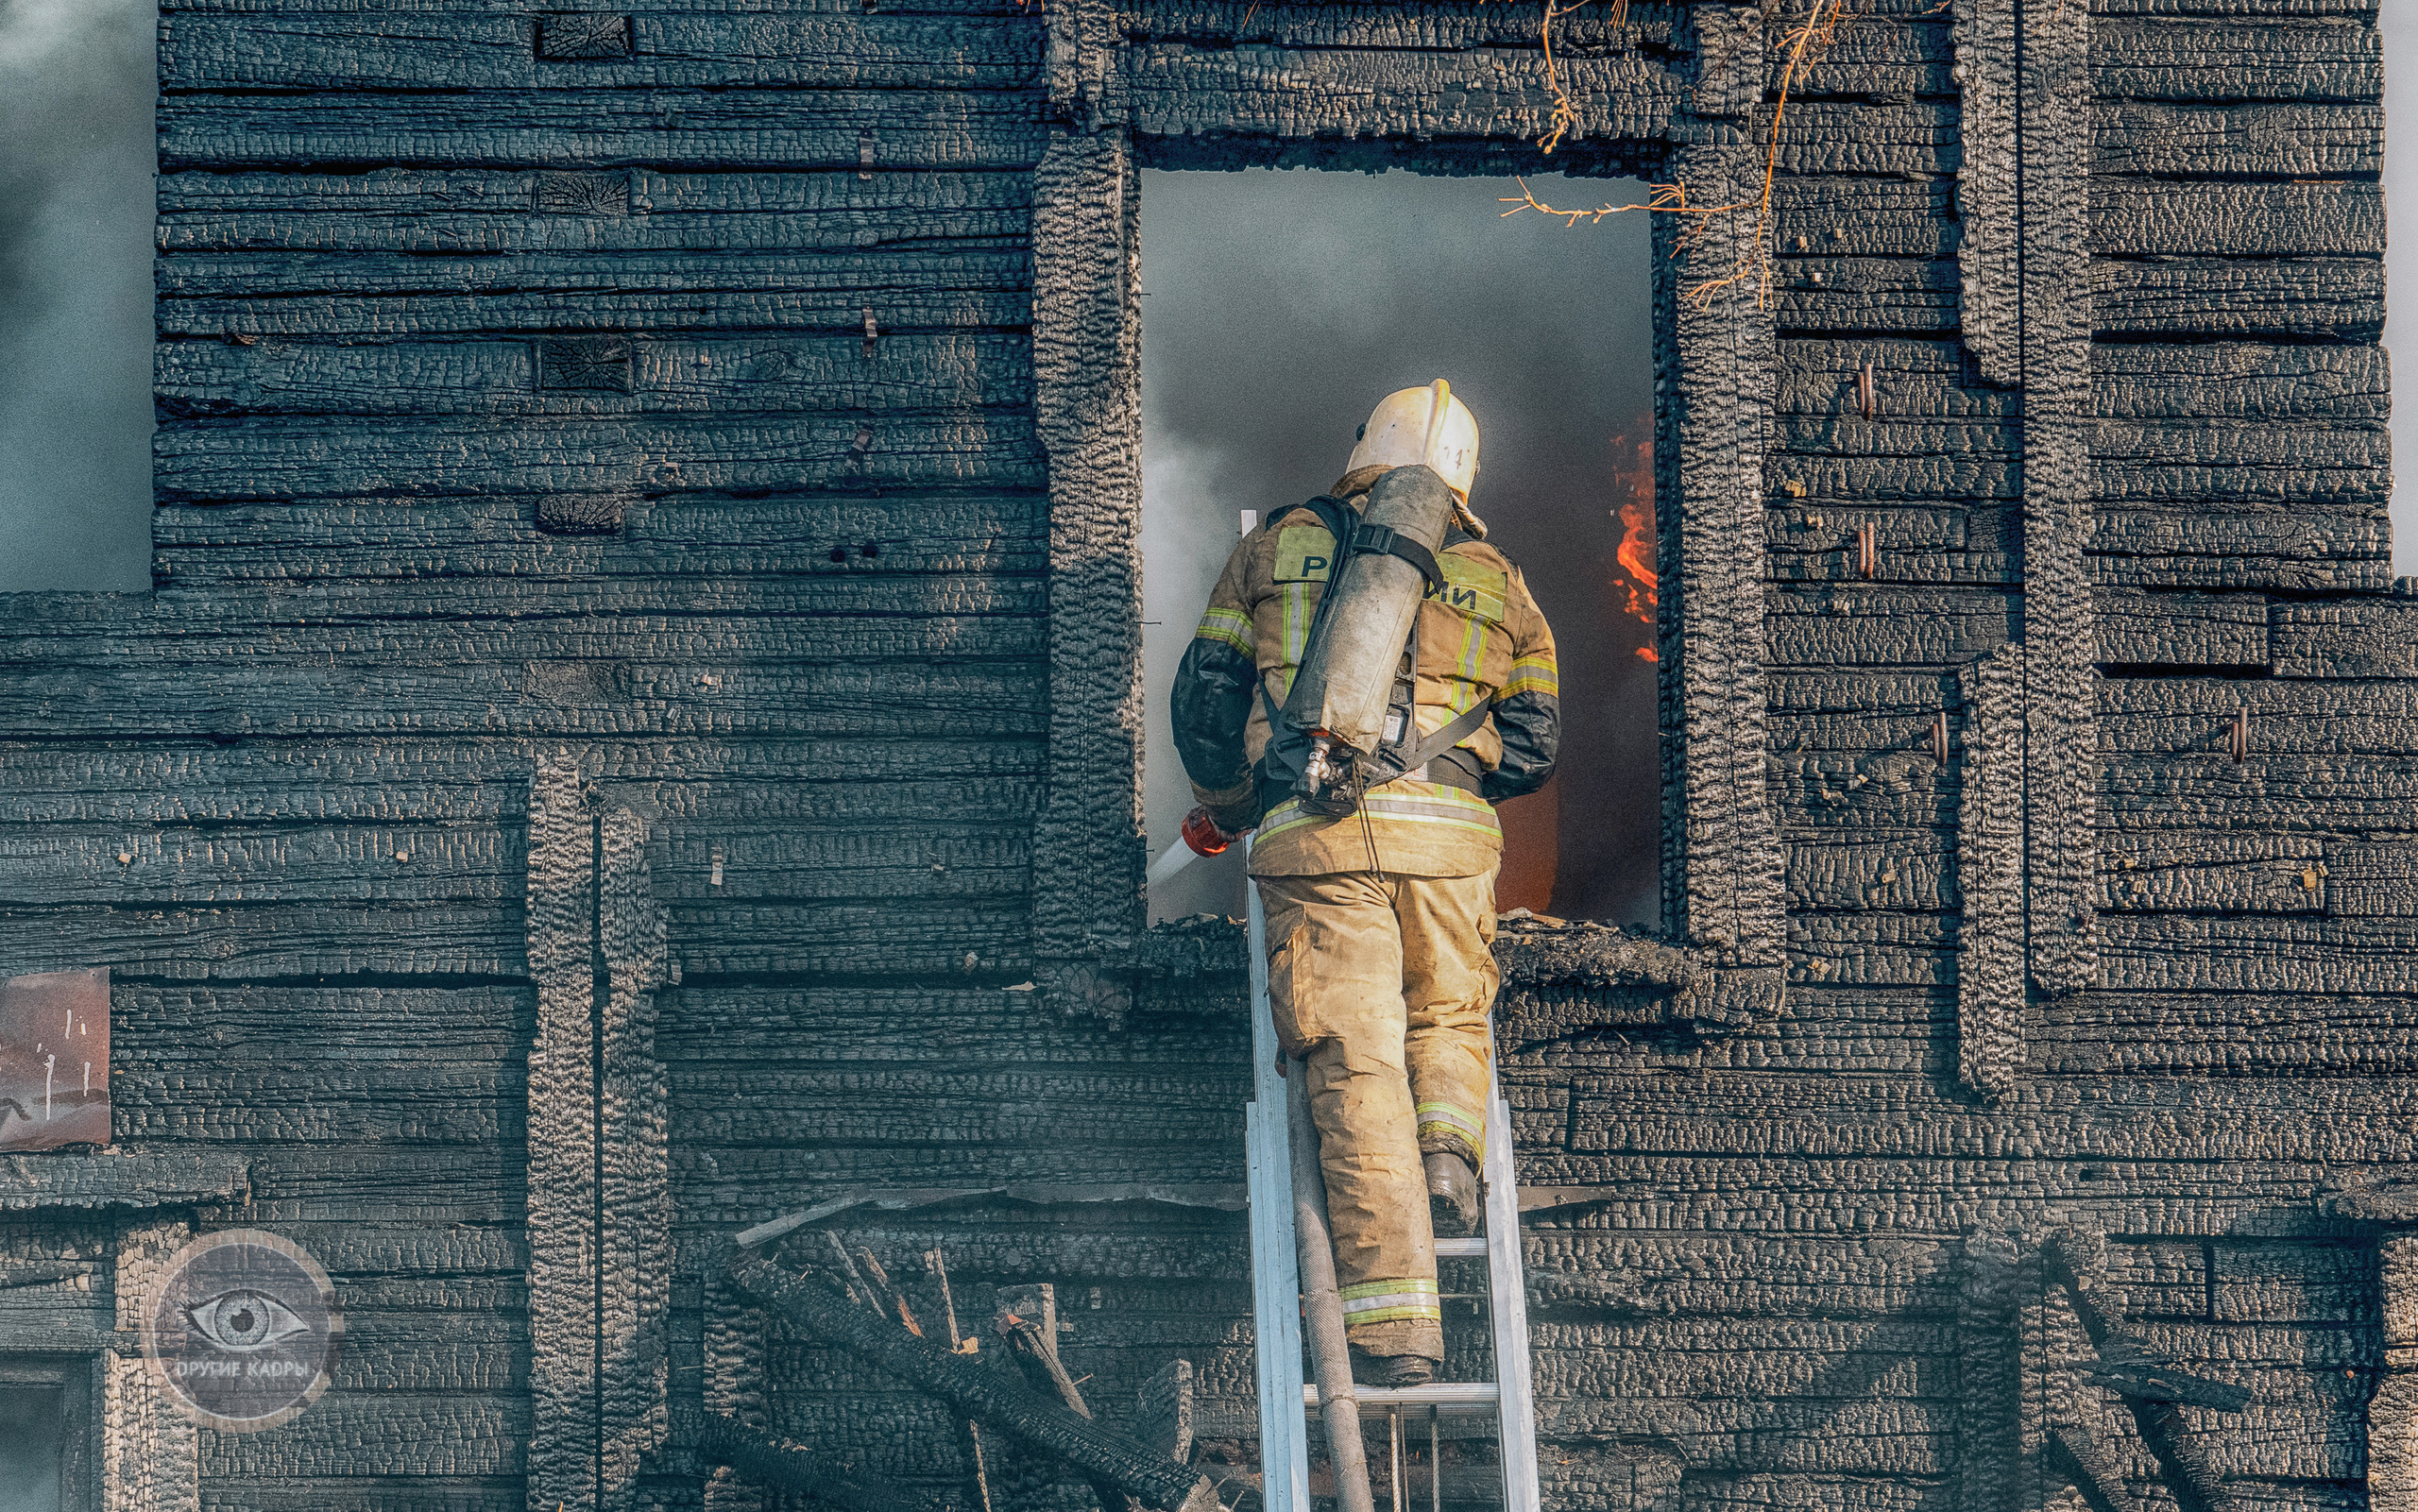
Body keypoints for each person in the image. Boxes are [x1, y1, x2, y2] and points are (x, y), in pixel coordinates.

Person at [1169, 382, 1559, 1385]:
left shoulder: (1271, 549)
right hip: (1449, 850)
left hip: (1317, 837)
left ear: (1361, 446)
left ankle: (1393, 1335)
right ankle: (1446, 1161)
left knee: (1354, 1060)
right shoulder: (1497, 575)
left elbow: (1204, 693)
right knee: (1447, 1013)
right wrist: (1452, 781)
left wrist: (1232, 795)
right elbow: (1535, 744)